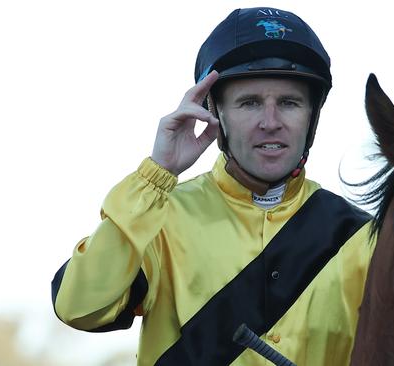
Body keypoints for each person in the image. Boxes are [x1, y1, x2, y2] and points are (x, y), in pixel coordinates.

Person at [51, 7, 375, 366]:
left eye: (289, 102)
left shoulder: (363, 236)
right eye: (249, 103)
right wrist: (157, 173)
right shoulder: (159, 216)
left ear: (312, 115)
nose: (271, 122)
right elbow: (79, 307)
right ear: (214, 112)